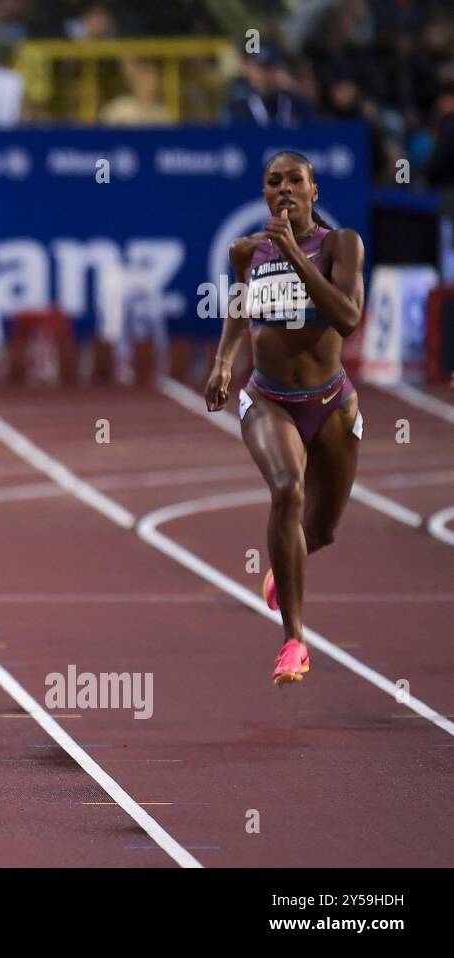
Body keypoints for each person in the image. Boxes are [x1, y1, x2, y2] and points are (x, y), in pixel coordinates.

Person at [205, 152, 365, 685]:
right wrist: (224, 363)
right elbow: (240, 303)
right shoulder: (246, 251)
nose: (285, 189)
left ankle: (286, 566)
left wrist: (296, 253)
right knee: (287, 490)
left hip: (333, 403)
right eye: (274, 183)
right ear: (265, 195)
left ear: (313, 190)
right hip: (268, 399)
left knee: (321, 528)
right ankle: (294, 640)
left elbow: (346, 318)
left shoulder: (342, 244)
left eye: (295, 180)